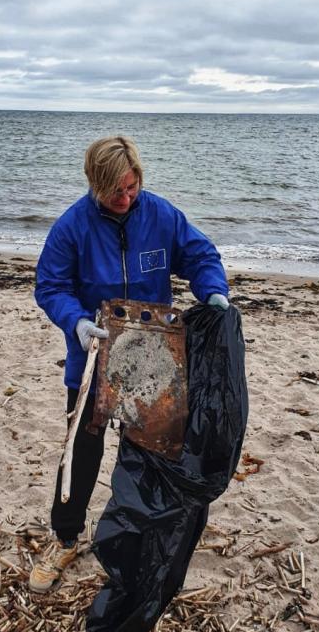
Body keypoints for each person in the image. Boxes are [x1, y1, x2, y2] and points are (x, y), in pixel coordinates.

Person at [29, 135, 229, 592]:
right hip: (94, 356)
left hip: (153, 360)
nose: (124, 199)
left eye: (131, 187)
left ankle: (144, 538)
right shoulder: (71, 227)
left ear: (139, 176)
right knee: (80, 454)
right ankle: (64, 539)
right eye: (114, 191)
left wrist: (213, 290)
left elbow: (200, 255)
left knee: (150, 456)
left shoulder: (161, 215)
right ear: (94, 184)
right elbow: (50, 287)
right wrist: (76, 321)